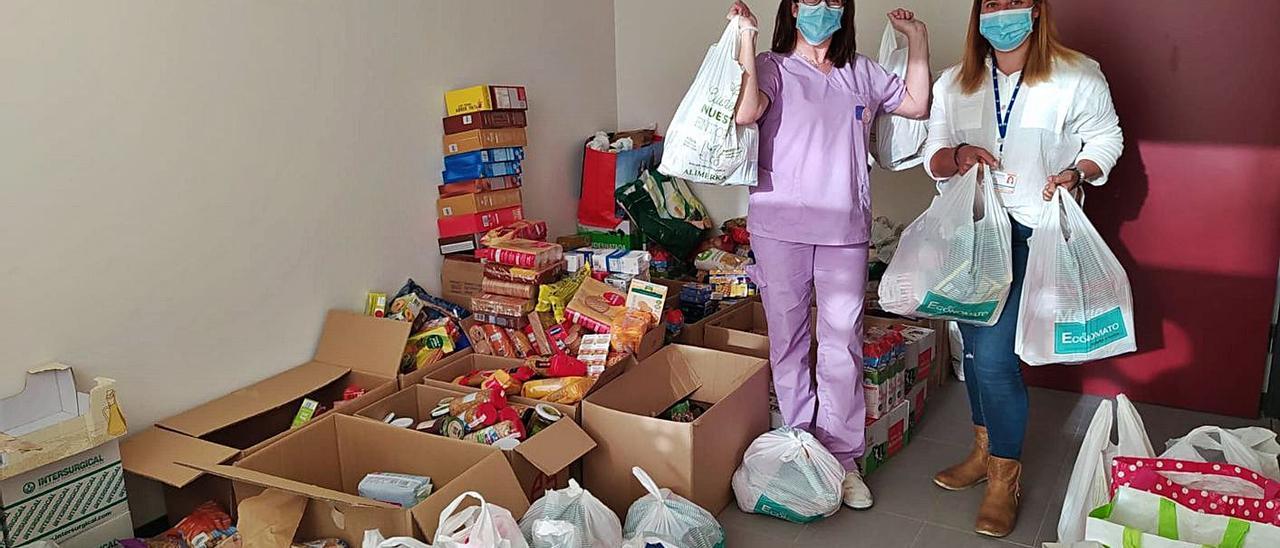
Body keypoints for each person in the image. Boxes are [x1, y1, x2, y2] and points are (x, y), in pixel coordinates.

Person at [922, 0, 1123, 537]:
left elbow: (1107, 138)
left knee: (992, 360)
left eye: (1015, 2)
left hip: (1033, 234)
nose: (1003, 12)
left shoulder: (1075, 74)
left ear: (1036, 11)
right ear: (978, 14)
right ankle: (982, 452)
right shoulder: (954, 83)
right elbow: (933, 155)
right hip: (973, 234)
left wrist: (1079, 171)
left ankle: (1003, 477)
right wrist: (959, 154)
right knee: (973, 349)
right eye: (992, 3)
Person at [728, 0, 931, 509]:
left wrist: (917, 41)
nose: (822, 8)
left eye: (832, 1)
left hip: (844, 229)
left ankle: (841, 460)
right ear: (793, 9)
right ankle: (801, 449)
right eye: (810, 0)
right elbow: (746, 112)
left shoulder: (858, 71)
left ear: (845, 10)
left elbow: (916, 105)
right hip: (780, 227)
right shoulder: (773, 67)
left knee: (842, 346)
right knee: (789, 341)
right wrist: (747, 41)